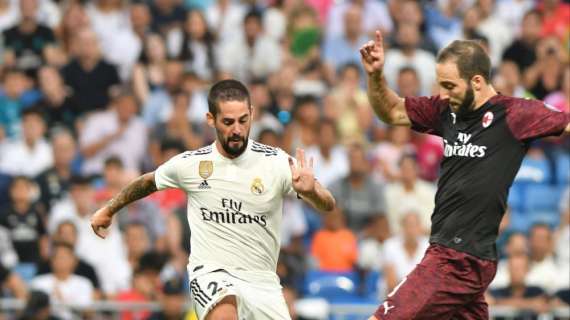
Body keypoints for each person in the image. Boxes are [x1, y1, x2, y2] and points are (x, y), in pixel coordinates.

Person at [360, 31, 570, 319]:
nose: (444, 94)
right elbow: (393, 112)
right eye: (441, 85)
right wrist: (375, 76)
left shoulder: (515, 114)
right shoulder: (445, 111)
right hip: (463, 256)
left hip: (455, 258)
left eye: (450, 86)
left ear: (477, 81)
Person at [90, 79, 335, 319]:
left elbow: (328, 203)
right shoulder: (193, 164)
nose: (237, 129)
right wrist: (109, 210)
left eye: (243, 120)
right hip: (211, 274)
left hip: (261, 280)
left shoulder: (276, 161)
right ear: (211, 119)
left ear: (251, 113)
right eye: (228, 122)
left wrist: (312, 191)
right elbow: (147, 182)